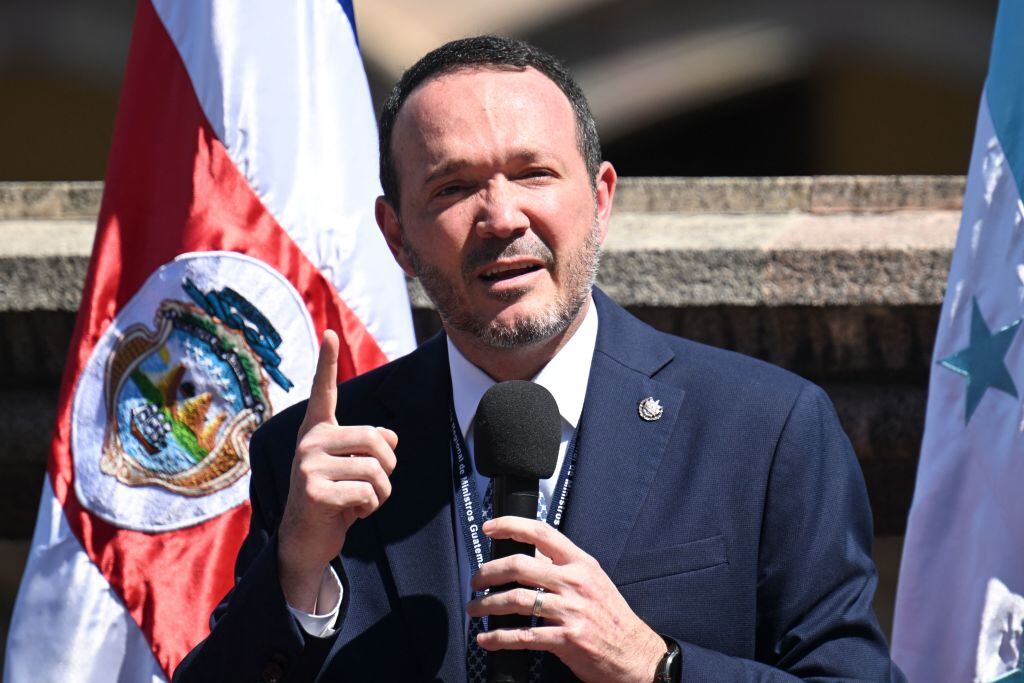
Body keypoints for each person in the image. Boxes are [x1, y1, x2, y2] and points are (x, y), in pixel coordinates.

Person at [174, 36, 905, 682]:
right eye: (453, 187)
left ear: (601, 197)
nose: (502, 216)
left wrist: (656, 666)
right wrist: (296, 574)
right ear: (396, 236)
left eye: (533, 173)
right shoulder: (309, 461)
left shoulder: (764, 430)